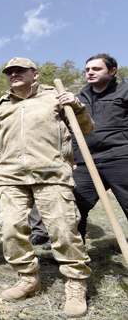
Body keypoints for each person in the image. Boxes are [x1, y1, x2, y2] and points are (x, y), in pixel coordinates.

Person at [0, 57, 92, 317]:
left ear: (35, 74)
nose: (14, 75)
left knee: (63, 230)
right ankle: (28, 278)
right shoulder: (0, 106)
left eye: (20, 71)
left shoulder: (57, 97)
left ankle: (75, 284)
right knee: (10, 229)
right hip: (10, 176)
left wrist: (76, 106)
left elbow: (86, 128)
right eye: (10, 72)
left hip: (51, 173)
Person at [73, 54, 128, 242]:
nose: (90, 73)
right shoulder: (78, 99)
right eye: (87, 69)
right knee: (73, 206)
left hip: (120, 157)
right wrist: (73, 157)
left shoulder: (124, 92)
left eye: (96, 69)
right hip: (86, 162)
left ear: (112, 71)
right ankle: (74, 256)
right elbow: (72, 131)